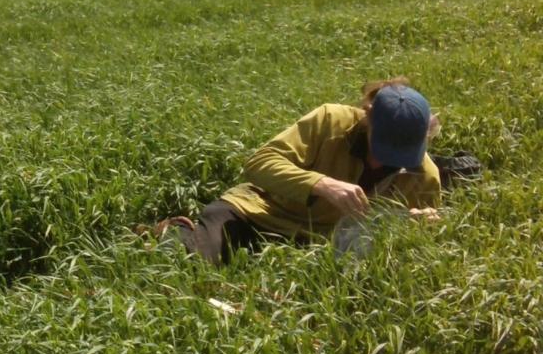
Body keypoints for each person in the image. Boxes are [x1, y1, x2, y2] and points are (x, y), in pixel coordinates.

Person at [162, 79, 441, 264]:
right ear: (366, 117)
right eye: (379, 150)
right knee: (186, 261)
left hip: (319, 246)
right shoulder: (330, 120)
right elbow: (259, 163)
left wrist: (416, 225)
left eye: (395, 159)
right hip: (258, 214)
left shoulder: (423, 175)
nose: (382, 164)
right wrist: (321, 183)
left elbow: (414, 246)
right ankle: (177, 230)